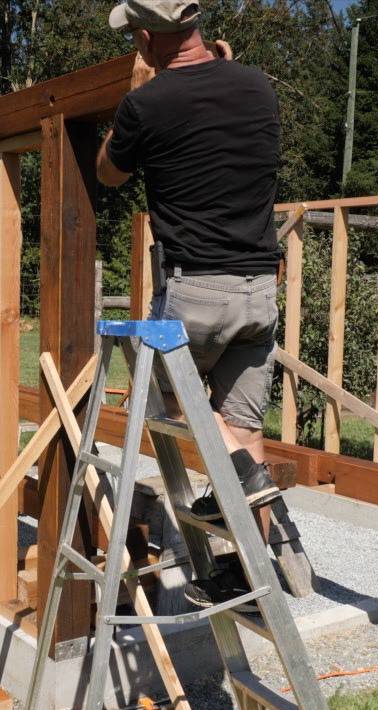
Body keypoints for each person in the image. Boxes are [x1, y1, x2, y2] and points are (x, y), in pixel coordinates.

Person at [98, 1, 283, 608]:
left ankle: (244, 476)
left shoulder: (146, 104)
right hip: (260, 287)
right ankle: (250, 579)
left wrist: (135, 92)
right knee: (244, 425)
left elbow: (109, 174)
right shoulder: (256, 86)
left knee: (174, 404)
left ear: (148, 37)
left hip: (195, 288)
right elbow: (215, 103)